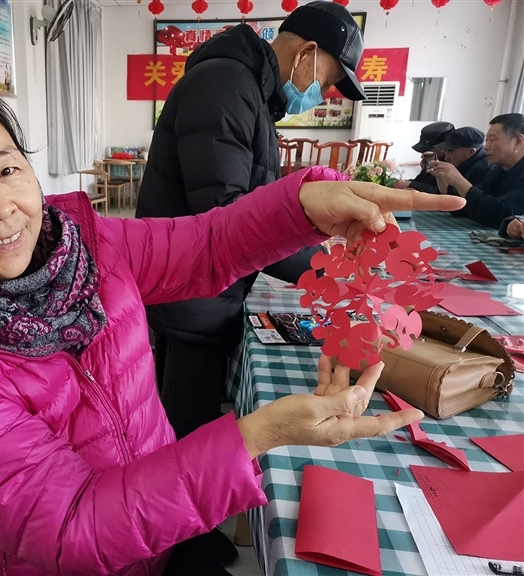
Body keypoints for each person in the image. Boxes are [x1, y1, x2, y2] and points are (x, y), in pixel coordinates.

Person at [0, 76, 463, 576]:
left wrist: (303, 206)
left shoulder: (83, 250)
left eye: (9, 169)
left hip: (157, 532)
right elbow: (68, 525)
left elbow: (203, 245)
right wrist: (254, 437)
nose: (1, 209)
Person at [134, 8, 367, 545]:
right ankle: (177, 540)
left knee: (177, 416)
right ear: (307, 53)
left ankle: (183, 527)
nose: (323, 92)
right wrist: (327, 271)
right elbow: (231, 222)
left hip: (202, 284)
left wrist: (318, 242)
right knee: (186, 421)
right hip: (191, 286)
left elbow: (255, 206)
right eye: (329, 79)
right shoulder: (225, 86)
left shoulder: (249, 92)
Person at [431, 113, 524, 228]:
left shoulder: (484, 167)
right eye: (486, 140)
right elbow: (466, 207)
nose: (486, 147)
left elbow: (502, 214)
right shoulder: (498, 171)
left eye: (492, 140)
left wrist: (459, 181)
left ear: (518, 141)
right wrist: (444, 183)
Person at [393, 121, 454, 192]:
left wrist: (410, 184)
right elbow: (420, 181)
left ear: (442, 148)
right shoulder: (431, 159)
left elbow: (440, 191)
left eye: (428, 149)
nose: (423, 154)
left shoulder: (451, 165)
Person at [431, 127, 491, 195]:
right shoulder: (464, 161)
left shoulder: (483, 171)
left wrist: (444, 188)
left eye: (450, 151)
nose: (446, 158)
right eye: (445, 152)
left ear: (470, 152)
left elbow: (463, 202)